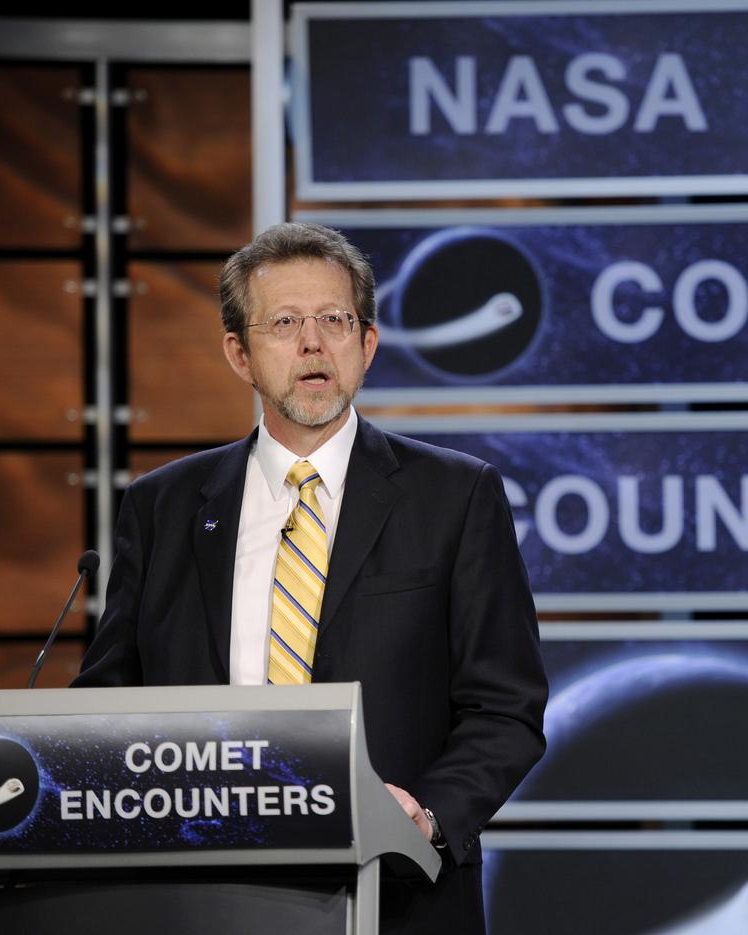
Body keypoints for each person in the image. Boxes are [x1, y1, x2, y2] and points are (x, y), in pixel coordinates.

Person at [72, 222, 548, 934]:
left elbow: (505, 706)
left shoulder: (455, 495)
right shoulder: (163, 505)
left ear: (368, 343)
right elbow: (110, 702)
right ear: (240, 352)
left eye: (335, 319)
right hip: (199, 897)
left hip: (398, 895)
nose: (313, 343)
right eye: (285, 322)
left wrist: (426, 813)